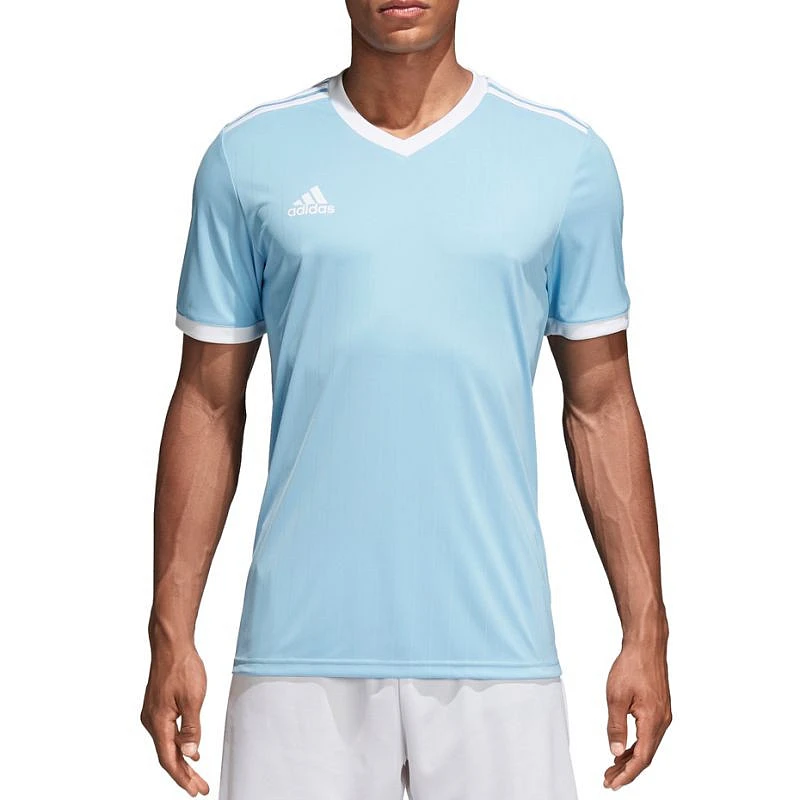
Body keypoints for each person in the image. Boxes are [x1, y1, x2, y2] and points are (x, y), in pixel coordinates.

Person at [140, 1, 672, 797]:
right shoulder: (248, 159)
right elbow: (208, 403)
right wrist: (170, 631)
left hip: (498, 653)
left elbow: (601, 404)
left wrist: (646, 631)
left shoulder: (564, 160)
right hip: (296, 659)